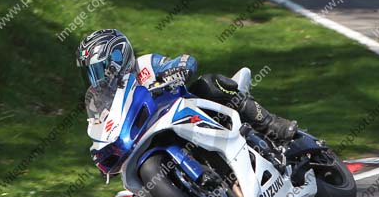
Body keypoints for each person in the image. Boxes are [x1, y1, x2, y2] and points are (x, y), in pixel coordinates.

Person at [76, 29, 297, 142]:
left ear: (119, 57)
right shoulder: (105, 105)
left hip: (191, 115)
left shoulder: (146, 65)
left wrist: (178, 71)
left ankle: (270, 123)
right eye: (91, 72)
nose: (99, 77)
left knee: (209, 83)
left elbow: (185, 61)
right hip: (155, 138)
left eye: (102, 68)